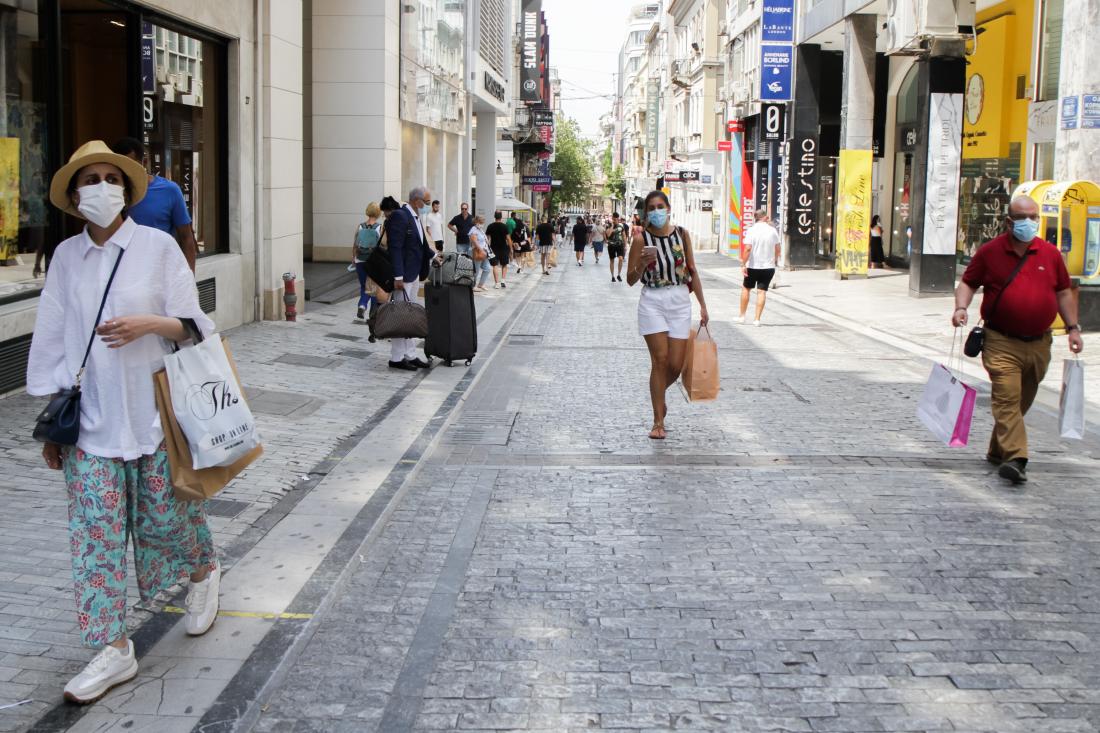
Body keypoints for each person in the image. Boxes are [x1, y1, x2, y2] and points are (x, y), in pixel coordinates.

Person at [27, 140, 220, 704]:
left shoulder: (157, 248)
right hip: (91, 424)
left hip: (155, 418)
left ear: (128, 191)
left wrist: (149, 323)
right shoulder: (67, 257)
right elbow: (54, 336)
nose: (102, 188)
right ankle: (112, 648)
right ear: (74, 196)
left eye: (112, 178)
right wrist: (52, 422)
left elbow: (197, 327)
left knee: (167, 523)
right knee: (96, 539)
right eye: (90, 179)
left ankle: (204, 570)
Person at [952, 195, 1084, 484]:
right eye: (1023, 218)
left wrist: (1073, 328)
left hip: (1039, 343)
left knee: (1021, 401)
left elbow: (1064, 292)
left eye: (1033, 217)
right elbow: (968, 283)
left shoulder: (1050, 254)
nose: (1029, 222)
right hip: (1001, 340)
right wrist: (961, 307)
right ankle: (1017, 457)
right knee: (1007, 397)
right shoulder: (990, 252)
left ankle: (997, 450)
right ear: (1009, 222)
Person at [626, 190, 709, 440]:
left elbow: (692, 270)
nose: (656, 212)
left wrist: (703, 305)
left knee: (675, 364)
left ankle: (659, 396)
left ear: (669, 208)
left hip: (680, 300)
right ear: (646, 212)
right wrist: (642, 264)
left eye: (660, 206)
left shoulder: (682, 234)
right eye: (651, 208)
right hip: (652, 300)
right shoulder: (641, 239)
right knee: (660, 360)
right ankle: (657, 421)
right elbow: (630, 279)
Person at [111, 137, 198, 272]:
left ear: (144, 162)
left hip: (160, 269)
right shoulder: (112, 192)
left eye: (131, 166)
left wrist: (190, 278)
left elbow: (186, 238)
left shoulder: (169, 190)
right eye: (121, 167)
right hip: (122, 269)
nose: (126, 172)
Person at [385, 186, 436, 371]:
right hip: (404, 275)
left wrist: (433, 255)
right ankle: (397, 357)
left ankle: (410, 354)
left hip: (414, 273)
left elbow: (420, 244)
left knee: (410, 315)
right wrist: (398, 276)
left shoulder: (415, 216)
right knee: (401, 316)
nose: (428, 205)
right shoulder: (401, 216)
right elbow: (395, 248)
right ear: (417, 200)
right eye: (427, 202)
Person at [739, 208, 782, 326]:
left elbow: (748, 248)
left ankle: (742, 317)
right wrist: (775, 260)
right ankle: (757, 320)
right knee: (762, 292)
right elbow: (778, 249)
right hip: (768, 267)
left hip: (753, 266)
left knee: (746, 289)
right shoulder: (772, 230)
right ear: (765, 217)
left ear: (756, 218)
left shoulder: (751, 230)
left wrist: (743, 263)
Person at [351, 202, 384, 321]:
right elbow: (382, 245)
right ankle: (373, 313)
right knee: (374, 287)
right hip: (373, 262)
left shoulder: (360, 226)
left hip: (360, 260)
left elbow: (355, 244)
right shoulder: (379, 228)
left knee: (363, 286)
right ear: (378, 213)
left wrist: (354, 258)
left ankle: (362, 305)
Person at [486, 211, 512, 289]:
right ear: (501, 217)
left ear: (494, 216)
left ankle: (497, 283)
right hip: (503, 248)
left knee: (495, 265)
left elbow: (487, 238)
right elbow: (508, 238)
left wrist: (487, 248)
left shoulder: (490, 226)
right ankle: (503, 281)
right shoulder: (504, 226)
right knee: (504, 264)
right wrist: (511, 249)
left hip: (493, 248)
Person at [470, 214, 495, 291]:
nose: (482, 224)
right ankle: (473, 286)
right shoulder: (473, 230)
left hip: (484, 251)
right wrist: (481, 250)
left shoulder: (480, 230)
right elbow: (474, 241)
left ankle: (481, 284)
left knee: (487, 268)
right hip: (478, 251)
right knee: (476, 270)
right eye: (480, 222)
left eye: (482, 222)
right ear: (476, 222)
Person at [606, 212, 628, 282]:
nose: (615, 220)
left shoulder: (621, 226)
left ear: (618, 219)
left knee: (621, 259)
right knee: (612, 260)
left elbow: (624, 236)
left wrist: (625, 245)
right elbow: (608, 235)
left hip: (619, 244)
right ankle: (612, 276)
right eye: (614, 219)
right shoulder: (609, 225)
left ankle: (618, 274)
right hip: (611, 245)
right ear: (612, 218)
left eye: (616, 219)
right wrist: (612, 225)